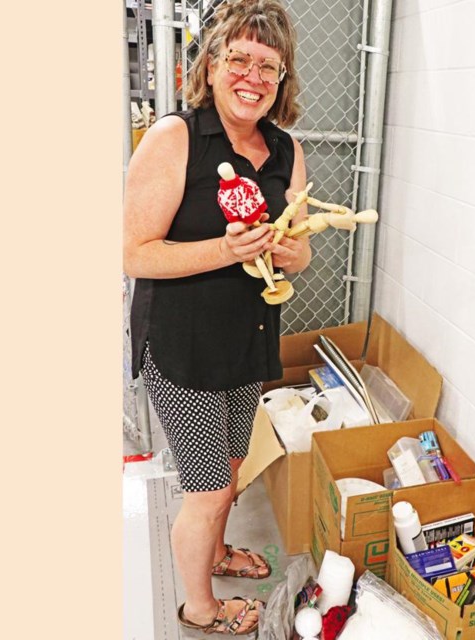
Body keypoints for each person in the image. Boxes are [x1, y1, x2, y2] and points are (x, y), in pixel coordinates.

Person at [123, 0, 311, 634]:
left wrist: (287, 251)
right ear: (212, 63)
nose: (253, 77)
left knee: (231, 473)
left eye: (269, 66)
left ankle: (220, 551)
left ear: (282, 80)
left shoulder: (285, 150)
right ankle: (199, 607)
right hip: (183, 344)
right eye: (241, 59)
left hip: (247, 338)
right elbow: (134, 253)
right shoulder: (176, 137)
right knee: (205, 491)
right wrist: (226, 249)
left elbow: (303, 251)